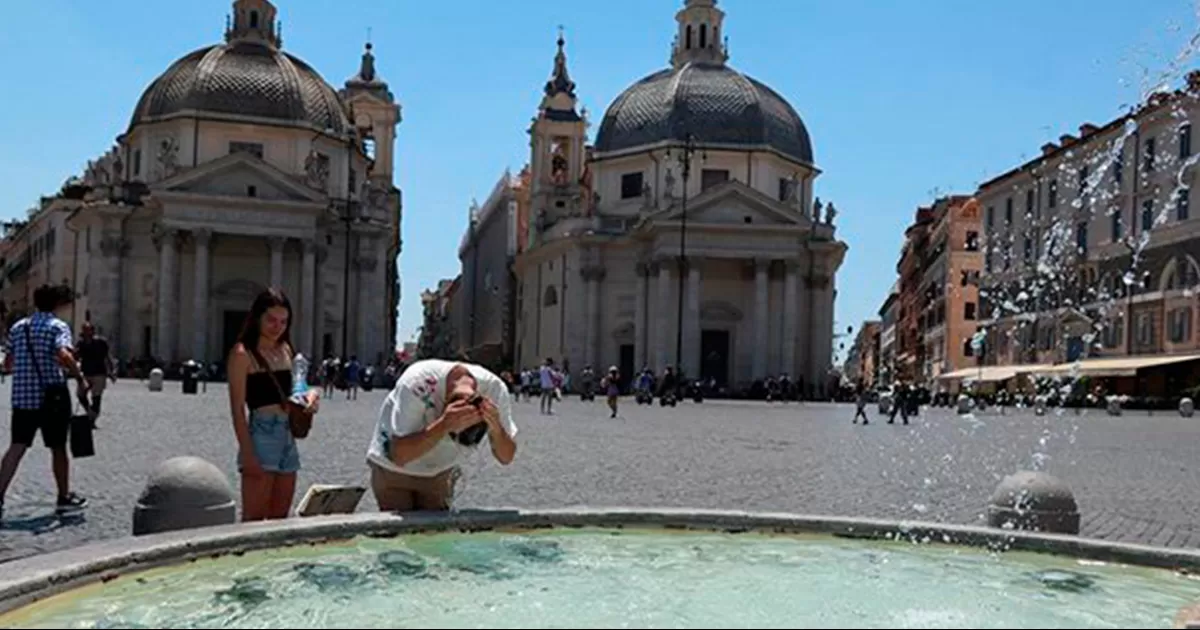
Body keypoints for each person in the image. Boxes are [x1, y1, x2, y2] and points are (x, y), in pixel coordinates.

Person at [367, 358, 518, 511]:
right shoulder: (417, 382)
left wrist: (497, 427)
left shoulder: (494, 389)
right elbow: (399, 455)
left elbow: (506, 457)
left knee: (433, 532)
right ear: (444, 404)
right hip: (393, 472)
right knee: (398, 531)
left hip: (439, 473)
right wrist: (444, 425)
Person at [227, 288, 320, 521]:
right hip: (262, 433)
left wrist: (311, 396)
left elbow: (298, 389)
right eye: (271, 319)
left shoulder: (286, 349)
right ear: (257, 317)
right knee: (254, 520)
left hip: (287, 434)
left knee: (280, 518)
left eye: (283, 321)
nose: (277, 326)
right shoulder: (242, 354)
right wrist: (248, 454)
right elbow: (237, 409)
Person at [0, 285, 90, 520]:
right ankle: (63, 496)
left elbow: (8, 363)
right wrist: (78, 377)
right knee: (58, 447)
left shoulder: (19, 328)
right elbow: (63, 353)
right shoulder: (57, 326)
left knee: (16, 446)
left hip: (23, 397)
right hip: (53, 398)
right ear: (57, 304)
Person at [75, 323, 115, 427]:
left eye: (88, 330)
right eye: (84, 330)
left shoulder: (101, 342)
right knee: (80, 394)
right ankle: (89, 412)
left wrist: (111, 371)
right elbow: (76, 356)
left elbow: (107, 357)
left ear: (92, 331)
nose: (86, 332)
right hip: (86, 372)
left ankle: (92, 417)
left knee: (96, 396)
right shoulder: (81, 343)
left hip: (99, 373)